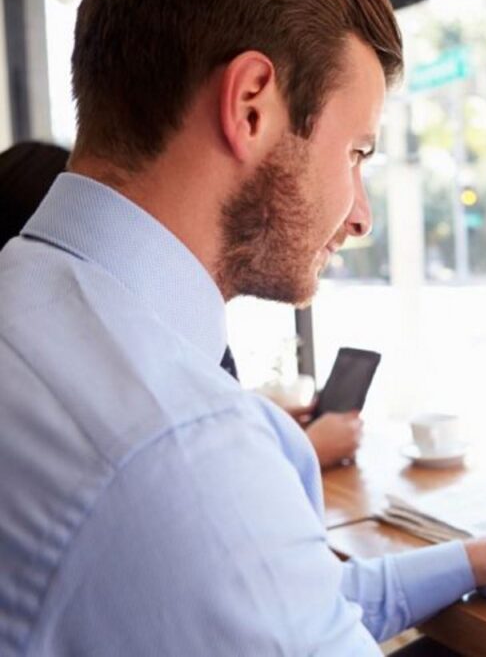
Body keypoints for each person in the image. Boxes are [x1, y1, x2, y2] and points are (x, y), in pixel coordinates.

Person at [0, 0, 486, 655]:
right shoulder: (183, 454)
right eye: (356, 151)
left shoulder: (25, 296)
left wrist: (483, 556)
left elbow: (284, 603)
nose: (359, 216)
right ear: (251, 105)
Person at [0, 142, 362, 468]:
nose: (360, 219)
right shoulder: (126, 374)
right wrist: (305, 447)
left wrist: (256, 422)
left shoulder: (31, 344)